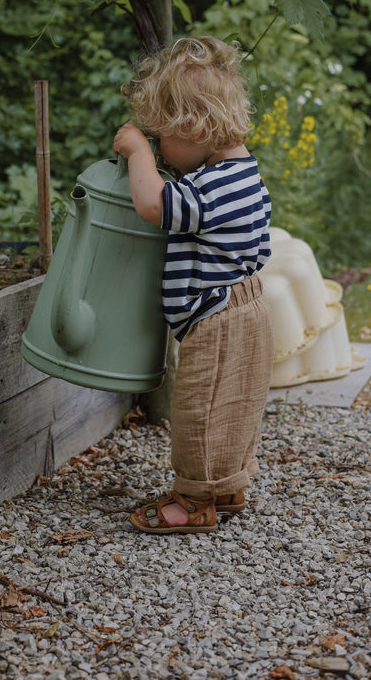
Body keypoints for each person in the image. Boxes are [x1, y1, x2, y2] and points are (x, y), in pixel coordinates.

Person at [113, 35, 274, 534]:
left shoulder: (213, 186)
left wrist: (136, 148)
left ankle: (193, 501)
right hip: (239, 308)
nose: (160, 149)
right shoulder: (241, 175)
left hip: (220, 317)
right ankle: (225, 485)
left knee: (200, 409)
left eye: (161, 138)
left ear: (193, 125)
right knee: (233, 403)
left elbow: (152, 205)